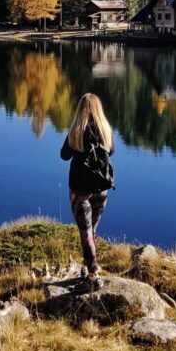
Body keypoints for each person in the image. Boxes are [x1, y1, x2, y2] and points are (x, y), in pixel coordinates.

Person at [60, 92, 114, 289]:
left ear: (81, 110)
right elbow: (111, 151)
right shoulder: (105, 130)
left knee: (86, 232)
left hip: (80, 191)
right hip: (102, 189)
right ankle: (90, 266)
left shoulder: (77, 130)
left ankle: (92, 275)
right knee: (92, 231)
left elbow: (64, 155)